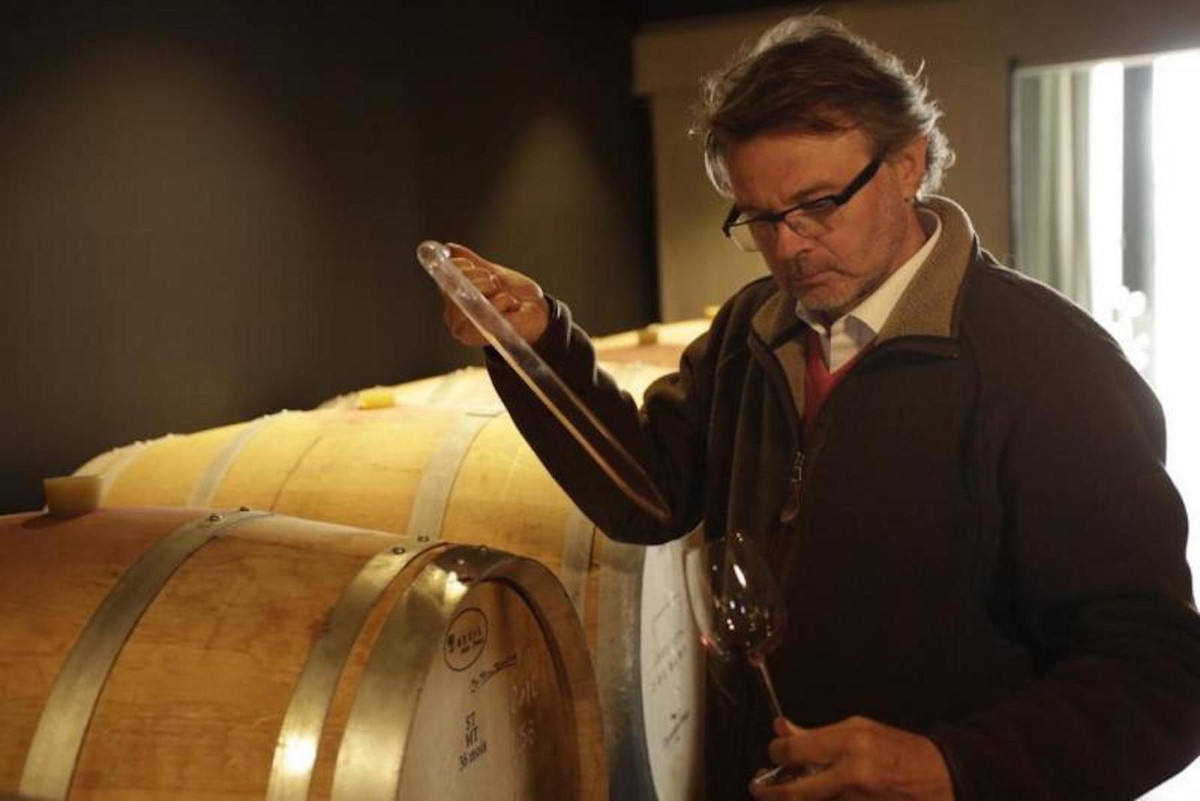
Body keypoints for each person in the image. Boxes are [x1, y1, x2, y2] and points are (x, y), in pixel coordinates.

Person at [440, 14, 1200, 801]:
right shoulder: (754, 327)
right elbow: (648, 492)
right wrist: (533, 344)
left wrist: (948, 766)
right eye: (760, 218)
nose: (790, 247)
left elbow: (1161, 674)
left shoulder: (1050, 364)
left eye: (818, 204)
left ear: (908, 163)